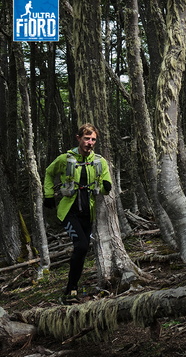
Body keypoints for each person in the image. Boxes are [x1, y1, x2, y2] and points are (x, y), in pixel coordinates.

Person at [43, 123, 112, 303]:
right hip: (68, 211)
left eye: (93, 139)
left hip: (88, 212)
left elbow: (105, 185)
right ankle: (72, 287)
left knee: (81, 250)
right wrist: (49, 195)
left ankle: (71, 288)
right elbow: (49, 173)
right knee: (81, 246)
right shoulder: (65, 158)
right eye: (86, 138)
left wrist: (106, 187)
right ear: (78, 138)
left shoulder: (99, 161)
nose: (90, 142)